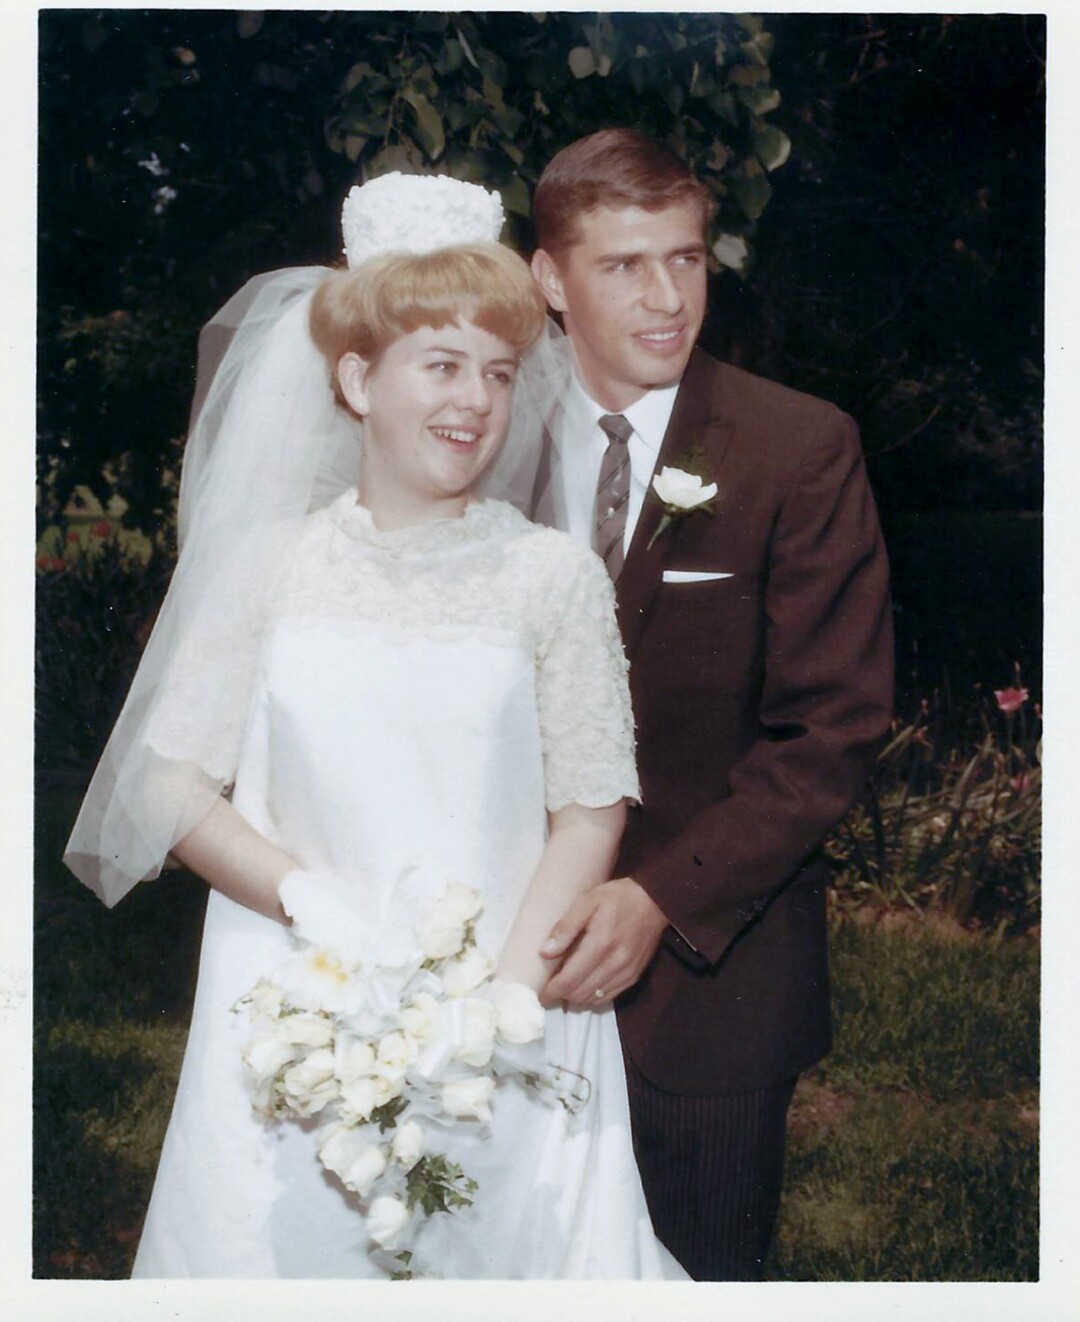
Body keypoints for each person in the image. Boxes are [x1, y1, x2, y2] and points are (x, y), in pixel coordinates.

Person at [63, 173, 687, 1280]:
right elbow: (166, 783)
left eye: (498, 371)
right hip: (290, 1002)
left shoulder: (551, 577)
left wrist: (499, 1009)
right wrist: (310, 904)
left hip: (504, 1011)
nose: (476, 401)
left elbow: (591, 806)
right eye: (442, 365)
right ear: (357, 379)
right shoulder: (268, 568)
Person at [528, 129, 895, 1280]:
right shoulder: (483, 439)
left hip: (707, 986)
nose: (667, 296)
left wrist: (660, 898)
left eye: (685, 258)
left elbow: (831, 731)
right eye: (624, 265)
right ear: (549, 279)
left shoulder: (798, 447)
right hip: (498, 963)